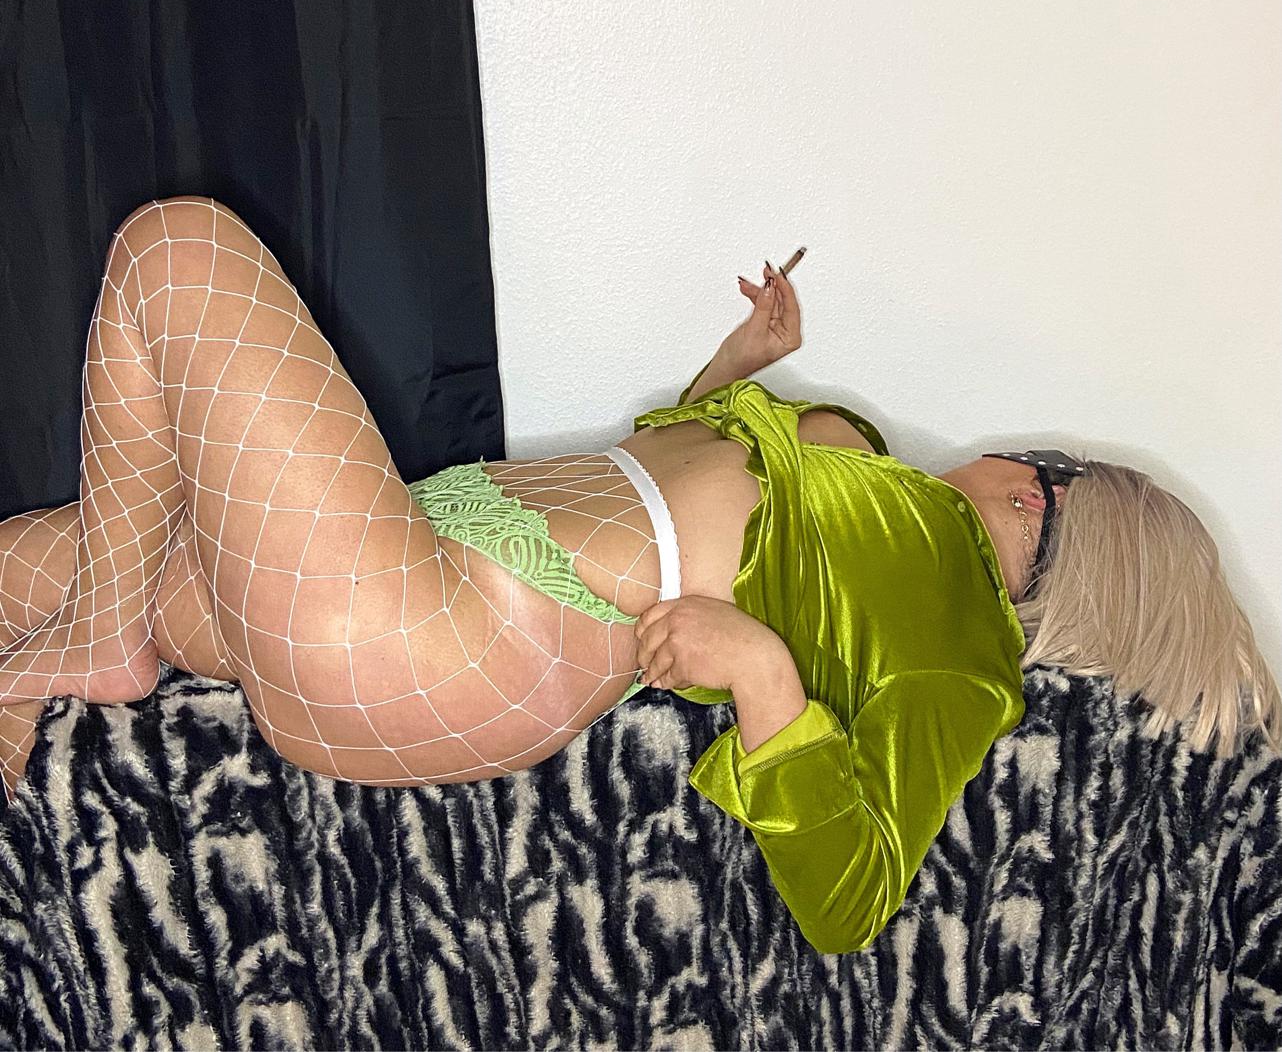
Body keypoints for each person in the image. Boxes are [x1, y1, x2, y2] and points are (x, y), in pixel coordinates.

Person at [0, 197, 1278, 954]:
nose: (1014, 462)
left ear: (1040, 497)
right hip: (419, 550)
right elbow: (680, 476)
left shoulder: (963, 647)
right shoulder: (876, 478)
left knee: (178, 250)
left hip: (460, 640)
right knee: (22, 568)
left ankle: (104, 642)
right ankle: (72, 656)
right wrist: (738, 366)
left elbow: (851, 898)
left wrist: (764, 679)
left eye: (1044, 467)